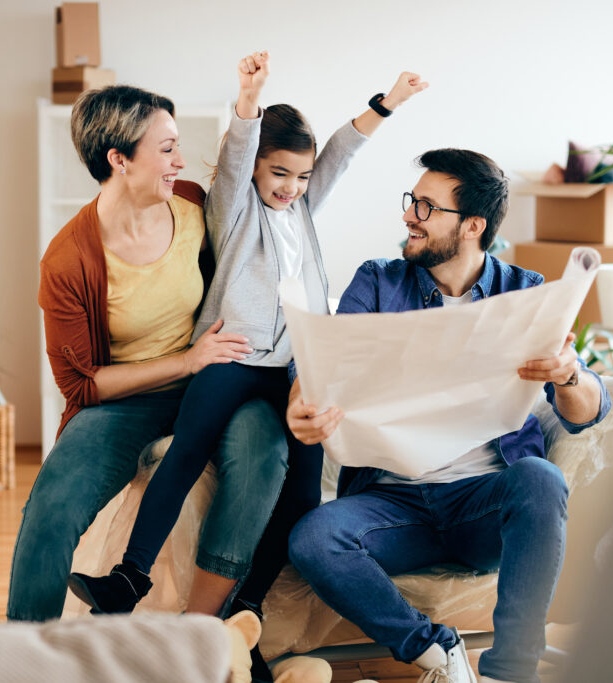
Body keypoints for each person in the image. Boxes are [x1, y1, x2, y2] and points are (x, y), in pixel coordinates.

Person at [68, 50, 428, 636]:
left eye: (302, 176)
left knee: (306, 493)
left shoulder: (305, 205)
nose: (291, 187)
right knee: (186, 453)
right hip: (233, 356)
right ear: (257, 168)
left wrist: (388, 101)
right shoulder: (231, 209)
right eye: (279, 173)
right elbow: (237, 153)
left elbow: (341, 151)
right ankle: (128, 579)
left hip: (295, 369)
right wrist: (247, 97)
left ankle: (248, 604)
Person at [286, 149, 612, 683]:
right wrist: (303, 403)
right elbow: (325, 362)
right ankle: (437, 653)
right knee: (314, 539)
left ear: (472, 226)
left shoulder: (524, 292)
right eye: (412, 201)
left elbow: (584, 415)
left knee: (541, 479)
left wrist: (568, 373)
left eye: (426, 206)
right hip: (392, 503)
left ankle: (511, 673)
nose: (409, 215)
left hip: (484, 499)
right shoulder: (377, 282)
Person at [7, 84, 291, 622]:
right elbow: (82, 385)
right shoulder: (68, 262)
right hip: (126, 399)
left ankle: (209, 627)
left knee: (265, 454)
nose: (180, 162)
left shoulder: (189, 201)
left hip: (217, 382)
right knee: (50, 508)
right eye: (166, 149)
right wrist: (185, 361)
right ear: (118, 159)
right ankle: (26, 655)